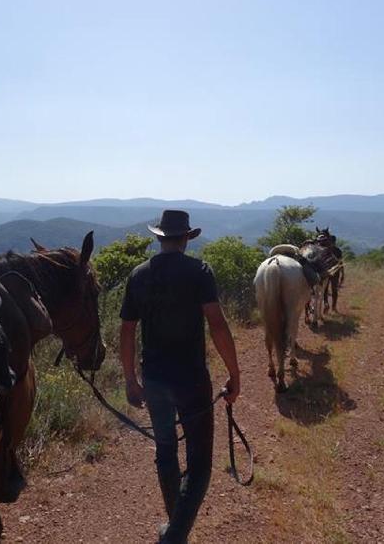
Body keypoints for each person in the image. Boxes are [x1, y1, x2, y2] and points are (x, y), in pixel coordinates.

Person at [119, 210, 241, 544]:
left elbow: (127, 331)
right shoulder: (199, 271)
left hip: (155, 381)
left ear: (159, 237)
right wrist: (234, 373)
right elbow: (217, 324)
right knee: (200, 465)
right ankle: (175, 536)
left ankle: (175, 528)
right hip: (192, 381)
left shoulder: (139, 275)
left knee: (166, 452)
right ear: (186, 238)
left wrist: (131, 379)